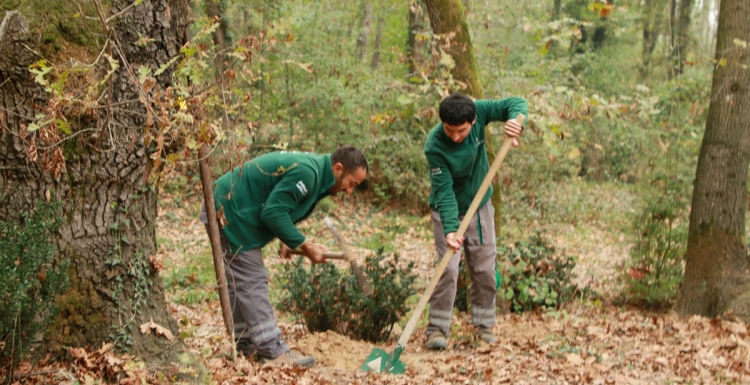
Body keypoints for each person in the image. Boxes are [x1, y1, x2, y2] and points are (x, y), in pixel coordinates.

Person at [201, 146, 368, 366]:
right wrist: (304, 244)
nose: (349, 191)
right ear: (338, 169)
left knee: (241, 282)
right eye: (352, 183)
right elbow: (273, 212)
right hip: (229, 210)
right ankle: (272, 351)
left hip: (227, 205)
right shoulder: (309, 173)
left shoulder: (317, 174)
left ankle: (245, 345)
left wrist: (289, 239)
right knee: (252, 279)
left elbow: (282, 204)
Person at [423, 92, 527, 350]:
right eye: (450, 130)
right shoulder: (435, 144)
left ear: (472, 121)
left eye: (462, 130)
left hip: (480, 206)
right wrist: (450, 229)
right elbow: (443, 191)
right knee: (448, 269)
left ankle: (484, 325)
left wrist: (516, 121)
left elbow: (517, 103)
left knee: (484, 268)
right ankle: (436, 331)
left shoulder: (480, 111)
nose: (455, 136)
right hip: (448, 210)